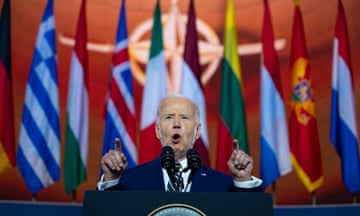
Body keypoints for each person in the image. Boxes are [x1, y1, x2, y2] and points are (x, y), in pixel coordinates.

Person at [97, 94, 263, 192]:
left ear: (197, 131)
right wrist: (111, 179)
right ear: (157, 131)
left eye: (184, 117)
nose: (176, 123)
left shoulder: (221, 185)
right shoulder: (131, 182)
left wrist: (243, 181)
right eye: (169, 117)